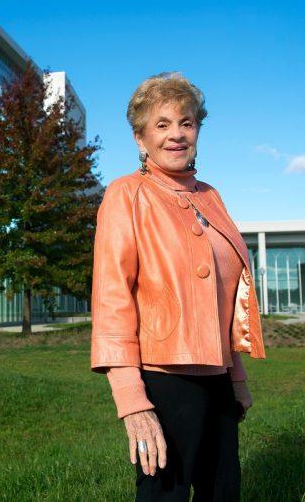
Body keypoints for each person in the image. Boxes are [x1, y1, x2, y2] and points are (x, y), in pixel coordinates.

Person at [90, 71, 267, 501]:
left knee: (223, 491)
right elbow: (113, 299)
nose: (176, 135)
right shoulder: (126, 194)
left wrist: (236, 378)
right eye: (162, 125)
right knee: (163, 494)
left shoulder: (212, 197)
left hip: (218, 380)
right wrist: (132, 400)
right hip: (163, 379)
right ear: (140, 138)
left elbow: (224, 299)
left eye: (186, 123)